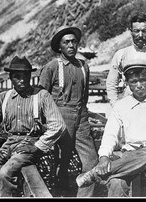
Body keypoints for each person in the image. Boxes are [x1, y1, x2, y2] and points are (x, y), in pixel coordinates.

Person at [75, 59, 146, 197]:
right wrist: (103, 157)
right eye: (133, 82)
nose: (139, 86)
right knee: (116, 182)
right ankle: (106, 172)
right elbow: (110, 135)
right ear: (127, 83)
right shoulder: (121, 106)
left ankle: (95, 174)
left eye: (143, 80)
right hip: (130, 157)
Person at [0, 56, 66, 197]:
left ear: (30, 76)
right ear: (10, 77)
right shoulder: (3, 98)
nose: (22, 80)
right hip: (8, 144)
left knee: (5, 174)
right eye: (17, 77)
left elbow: (58, 125)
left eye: (25, 76)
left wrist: (37, 146)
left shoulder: (41, 96)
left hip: (30, 144)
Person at [38, 26, 99, 197]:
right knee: (58, 162)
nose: (71, 45)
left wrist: (82, 114)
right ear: (59, 47)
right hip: (59, 117)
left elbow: (85, 96)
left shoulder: (83, 66)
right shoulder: (51, 67)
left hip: (81, 117)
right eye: (67, 42)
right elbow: (41, 98)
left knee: (92, 161)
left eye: (74, 42)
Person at [106, 13, 146, 106]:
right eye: (136, 31)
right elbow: (111, 83)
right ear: (131, 31)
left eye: (144, 31)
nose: (140, 35)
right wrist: (115, 105)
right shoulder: (121, 55)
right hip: (127, 106)